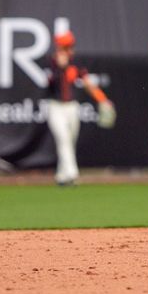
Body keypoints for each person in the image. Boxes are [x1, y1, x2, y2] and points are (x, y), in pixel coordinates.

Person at [47, 30, 111, 186]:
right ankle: (72, 173)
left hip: (71, 107)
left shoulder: (76, 63)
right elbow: (49, 83)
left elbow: (88, 84)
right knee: (63, 138)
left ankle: (62, 176)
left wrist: (103, 100)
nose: (67, 50)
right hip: (55, 106)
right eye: (64, 47)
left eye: (69, 46)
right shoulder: (51, 62)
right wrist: (60, 68)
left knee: (70, 141)